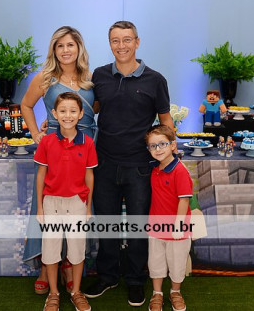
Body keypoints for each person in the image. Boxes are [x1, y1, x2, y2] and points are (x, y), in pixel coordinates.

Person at [84, 21, 174, 307]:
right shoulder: (99, 76)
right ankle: (108, 276)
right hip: (104, 164)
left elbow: (165, 121)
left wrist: (169, 153)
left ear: (137, 42)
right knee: (106, 223)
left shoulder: (155, 80)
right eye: (115, 40)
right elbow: (90, 110)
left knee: (138, 227)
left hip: (140, 166)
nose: (121, 46)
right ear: (109, 44)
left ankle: (136, 281)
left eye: (126, 40)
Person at [21, 26, 96, 295]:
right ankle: (46, 265)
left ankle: (69, 265)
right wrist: (36, 133)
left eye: (70, 45)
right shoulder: (45, 78)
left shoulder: (90, 79)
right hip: (53, 152)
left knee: (77, 205)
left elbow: (92, 111)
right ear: (54, 49)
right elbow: (26, 105)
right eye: (60, 45)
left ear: (79, 48)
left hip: (83, 148)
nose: (65, 50)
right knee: (49, 205)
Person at [35, 92, 97, 311]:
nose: (67, 115)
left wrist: (87, 207)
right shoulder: (47, 142)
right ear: (54, 113)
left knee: (77, 250)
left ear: (81, 114)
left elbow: (89, 176)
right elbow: (41, 175)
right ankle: (53, 293)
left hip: (77, 204)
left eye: (72, 111)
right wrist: (40, 207)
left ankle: (76, 292)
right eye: (62, 111)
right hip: (51, 203)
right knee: (51, 251)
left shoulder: (87, 143)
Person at [144, 125, 192, 311]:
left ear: (173, 145)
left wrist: (178, 225)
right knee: (155, 262)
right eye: (153, 146)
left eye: (162, 144)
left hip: (177, 230)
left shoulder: (180, 170)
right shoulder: (154, 168)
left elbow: (184, 200)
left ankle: (175, 292)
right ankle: (157, 293)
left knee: (177, 262)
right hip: (156, 227)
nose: (158, 149)